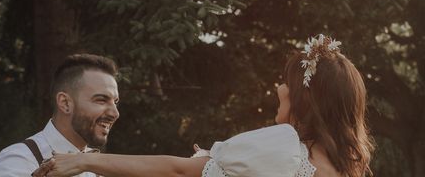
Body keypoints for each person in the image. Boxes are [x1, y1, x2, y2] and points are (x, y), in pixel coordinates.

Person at [37, 34, 374, 177]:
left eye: (285, 81)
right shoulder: (344, 167)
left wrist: (83, 162)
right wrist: (213, 163)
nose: (279, 86)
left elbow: (176, 171)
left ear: (305, 99)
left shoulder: (286, 148)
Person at [0, 53, 120, 177]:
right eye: (101, 100)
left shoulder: (96, 170)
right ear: (65, 103)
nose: (115, 113)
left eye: (115, 102)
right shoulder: (18, 160)